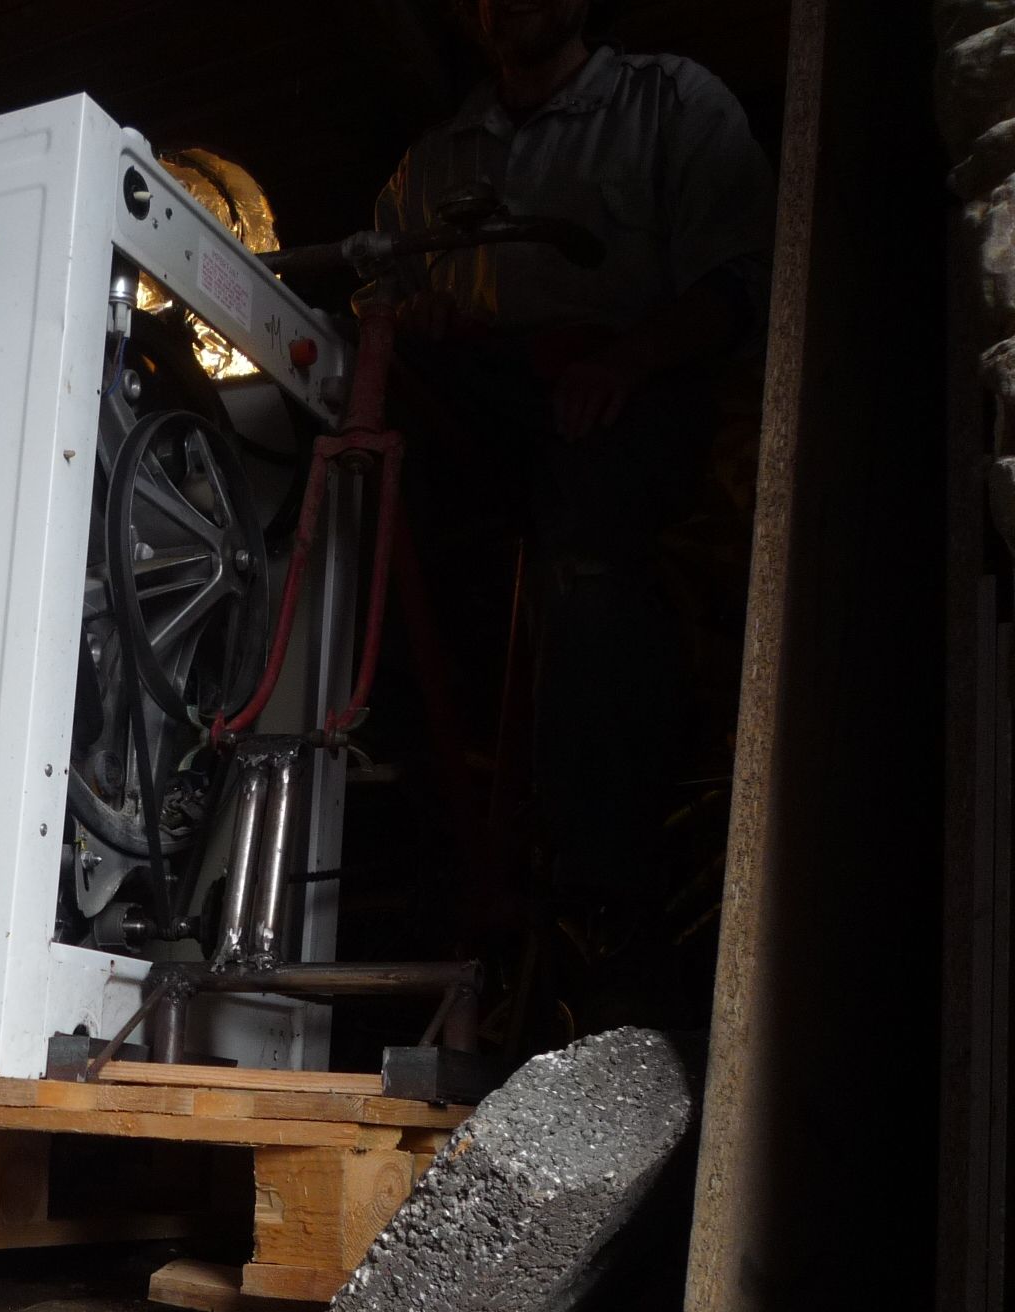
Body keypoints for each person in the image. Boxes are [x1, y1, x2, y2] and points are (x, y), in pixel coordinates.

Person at [364, 0, 776, 991]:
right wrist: (404, 327)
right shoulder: (429, 163)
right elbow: (369, 304)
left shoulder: (669, 100)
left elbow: (740, 276)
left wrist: (628, 357)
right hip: (473, 413)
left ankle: (604, 892)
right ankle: (384, 833)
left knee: (587, 573)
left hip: (621, 389)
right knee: (355, 521)